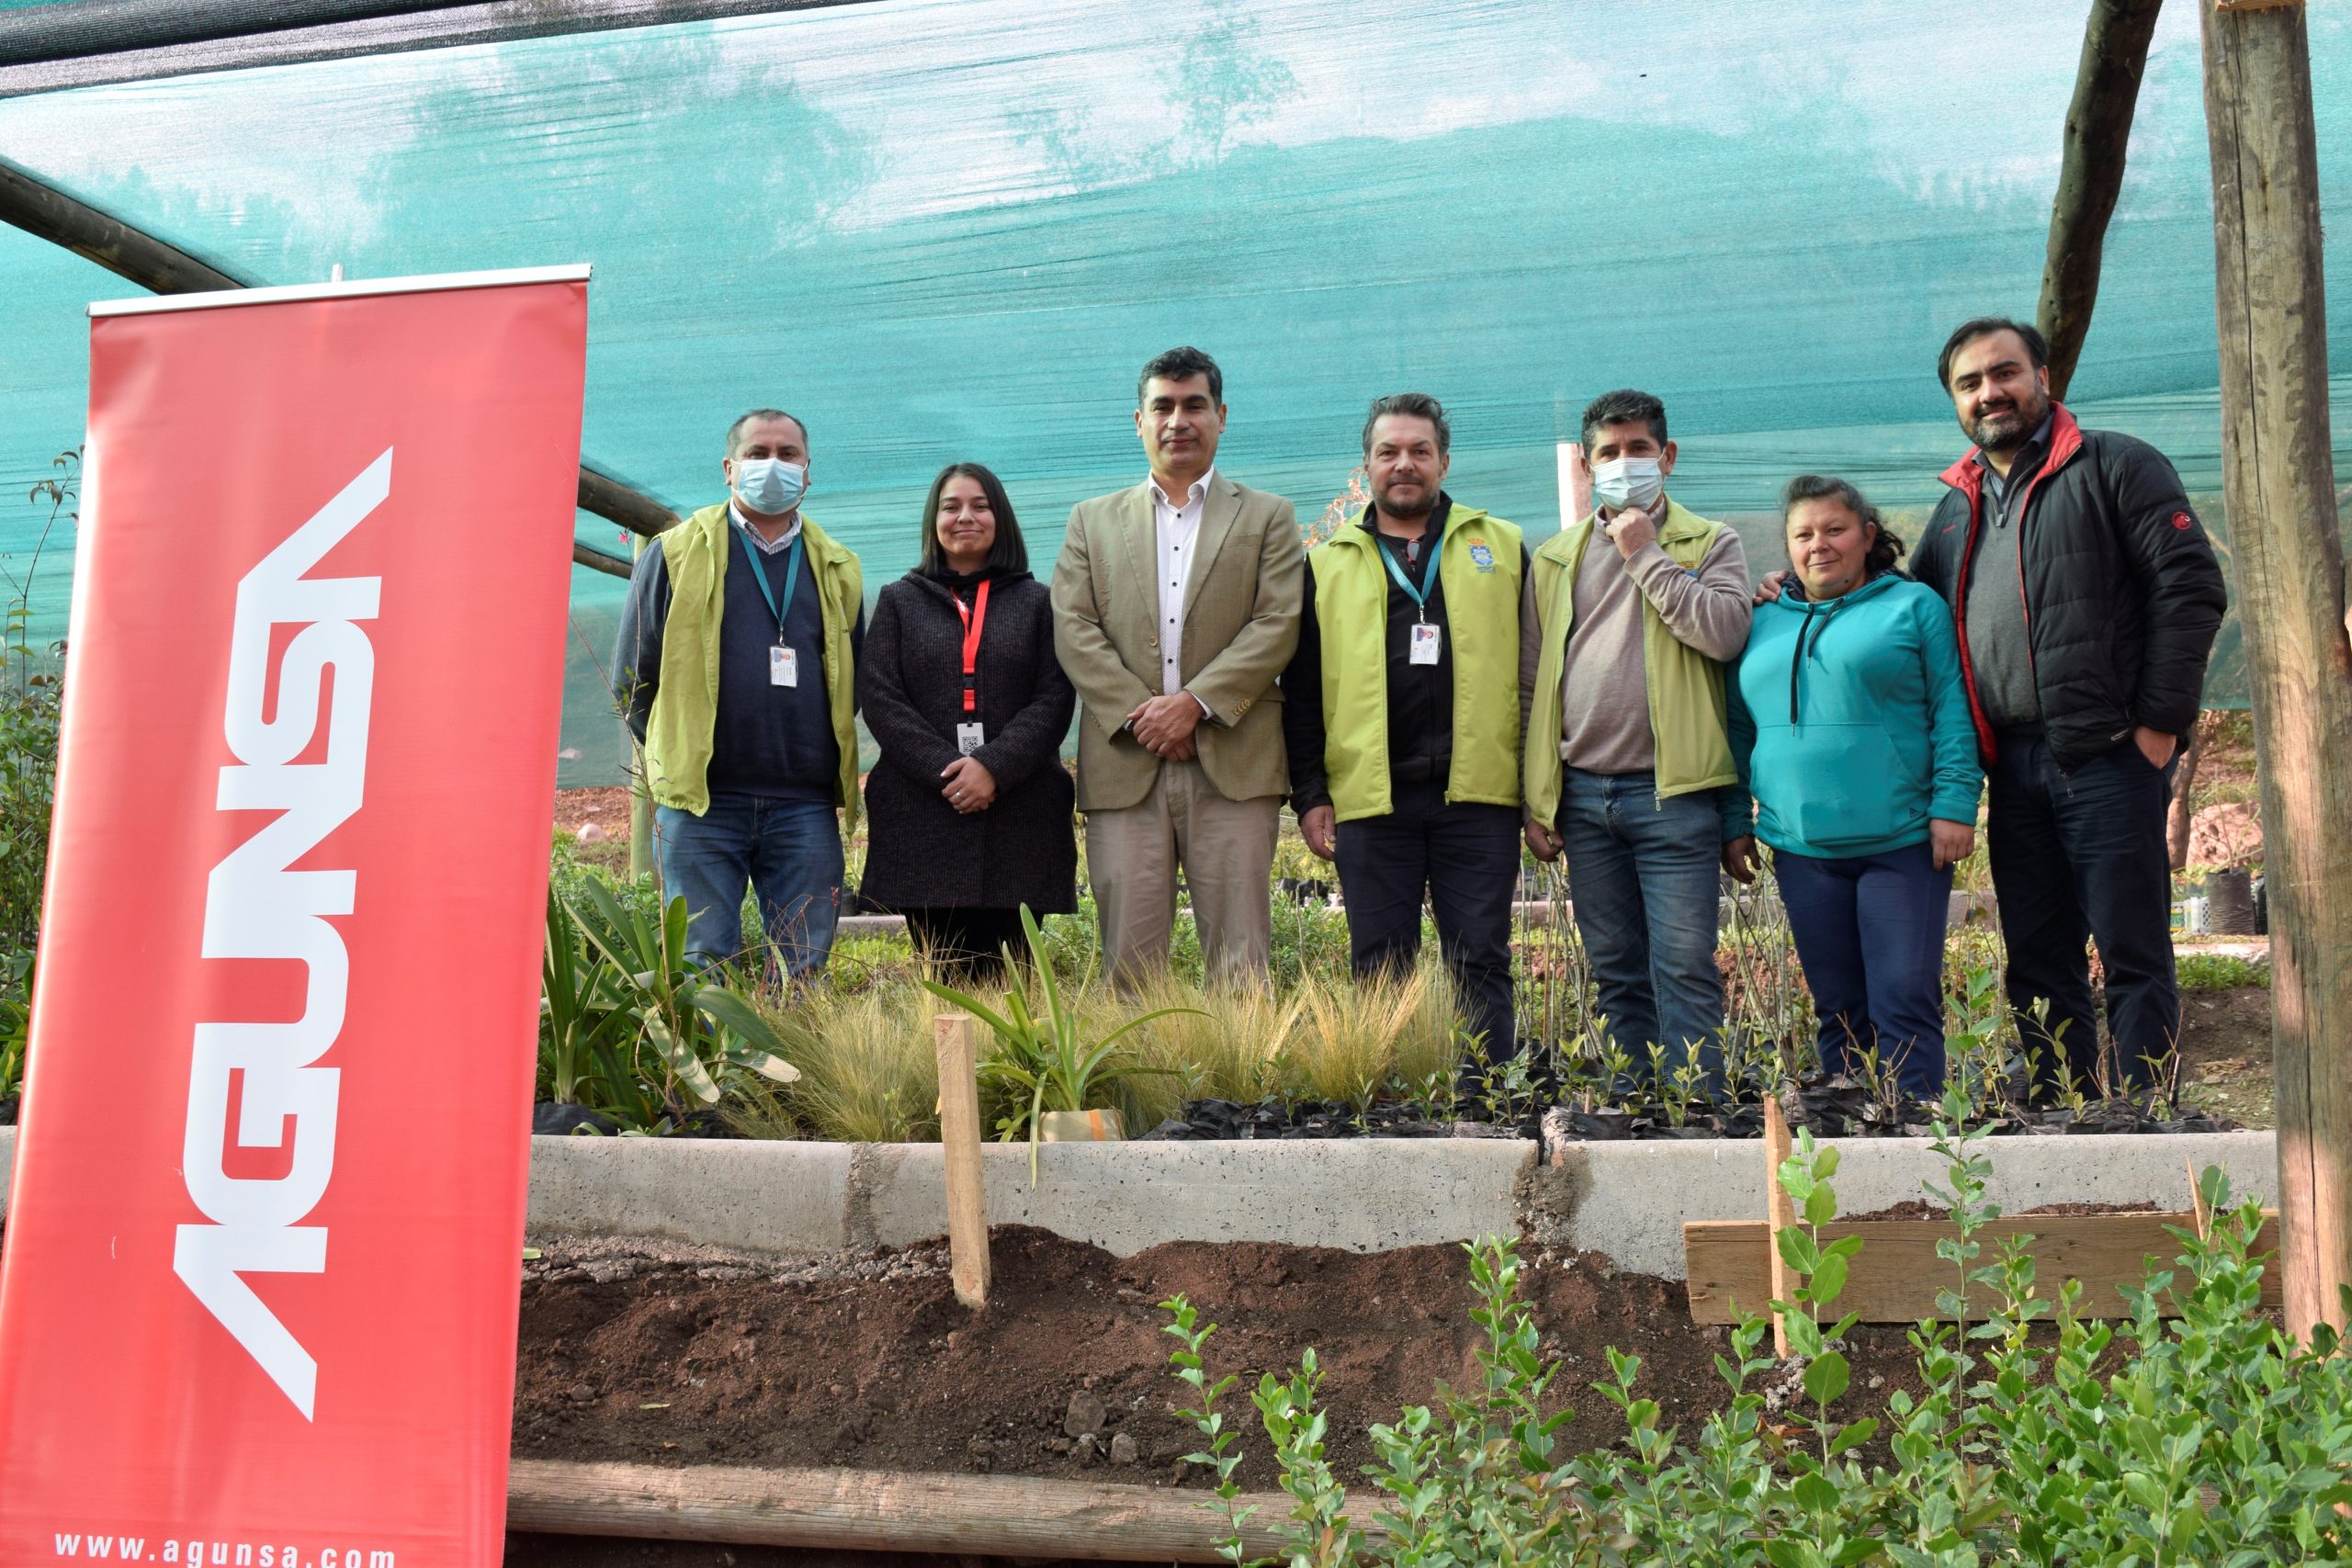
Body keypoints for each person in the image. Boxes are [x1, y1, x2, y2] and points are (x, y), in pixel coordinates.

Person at [1919, 318, 2225, 1097]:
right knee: (2038, 952)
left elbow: (2189, 586)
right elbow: (1898, 600)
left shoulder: (2116, 464)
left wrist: (2160, 724)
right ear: (1956, 401)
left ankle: (2151, 1112)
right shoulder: (1956, 508)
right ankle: (2063, 1109)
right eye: (1970, 382)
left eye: (2005, 372)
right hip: (2012, 766)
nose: (1990, 392)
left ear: (2043, 377)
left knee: (2132, 946)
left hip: (2110, 755)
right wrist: (1791, 587)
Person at [1282, 393, 1532, 1084]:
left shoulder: (1502, 546)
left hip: (1478, 795)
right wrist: (1310, 793)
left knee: (1480, 956)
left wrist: (1538, 791)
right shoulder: (1326, 562)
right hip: (1371, 801)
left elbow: (1537, 675)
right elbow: (1301, 690)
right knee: (1380, 964)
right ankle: (1390, 1102)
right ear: (1366, 467)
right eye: (1389, 452)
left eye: (1420, 451)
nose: (1405, 464)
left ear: (1444, 461)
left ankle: (1491, 1099)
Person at [1520, 389, 1753, 1089]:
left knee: (1683, 964)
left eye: (1639, 449)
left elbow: (1723, 633)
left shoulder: (1711, 542)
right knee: (1616, 965)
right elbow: (1534, 684)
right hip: (1584, 797)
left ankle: (1698, 1110)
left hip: (1673, 793)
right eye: (1609, 453)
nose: (1625, 464)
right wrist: (1537, 798)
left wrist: (1646, 556)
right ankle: (1637, 1109)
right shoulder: (1555, 557)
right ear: (1588, 467)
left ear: (1667, 456)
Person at [1051, 346, 1305, 987]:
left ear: (1221, 416)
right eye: (1162, 406)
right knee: (1128, 965)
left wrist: (1192, 705)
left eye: (1194, 405)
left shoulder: (1268, 516)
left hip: (1232, 761)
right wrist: (1147, 717)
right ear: (1138, 420)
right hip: (1124, 763)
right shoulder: (1090, 520)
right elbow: (1073, 628)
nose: (1178, 420)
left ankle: (1242, 1091)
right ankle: (1134, 1092)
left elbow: (1278, 623)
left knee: (1241, 962)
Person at [1724, 476, 1981, 1100]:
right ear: (1786, 546)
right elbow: (1734, 727)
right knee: (1837, 1007)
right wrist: (1735, 818)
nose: (1820, 545)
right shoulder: (1759, 619)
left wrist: (1954, 804)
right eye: (1803, 534)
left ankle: (1915, 1134)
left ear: (1868, 535)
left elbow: (1952, 708)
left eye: (1835, 529)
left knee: (1902, 997)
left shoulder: (1914, 607)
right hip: (1800, 847)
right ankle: (1850, 1129)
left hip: (1901, 842)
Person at [616, 408, 865, 976]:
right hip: (703, 803)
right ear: (729, 469)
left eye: (787, 454)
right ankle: (712, 1068)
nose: (772, 466)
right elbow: (633, 679)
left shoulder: (838, 566)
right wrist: (675, 751)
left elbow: (851, 682)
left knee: (802, 966)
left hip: (804, 804)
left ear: (808, 471)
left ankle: (796, 1067)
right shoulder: (674, 554)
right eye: (757, 454)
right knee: (702, 964)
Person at [857, 463, 1077, 978]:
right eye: (951, 506)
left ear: (1000, 517)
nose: (965, 517)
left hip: (1020, 814)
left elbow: (1053, 696)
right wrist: (951, 770)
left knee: (1014, 979)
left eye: (980, 505)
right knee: (947, 976)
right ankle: (952, 1063)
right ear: (934, 520)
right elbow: (881, 696)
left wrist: (993, 767)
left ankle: (1012, 1061)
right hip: (924, 815)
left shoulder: (1038, 602)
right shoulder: (899, 600)